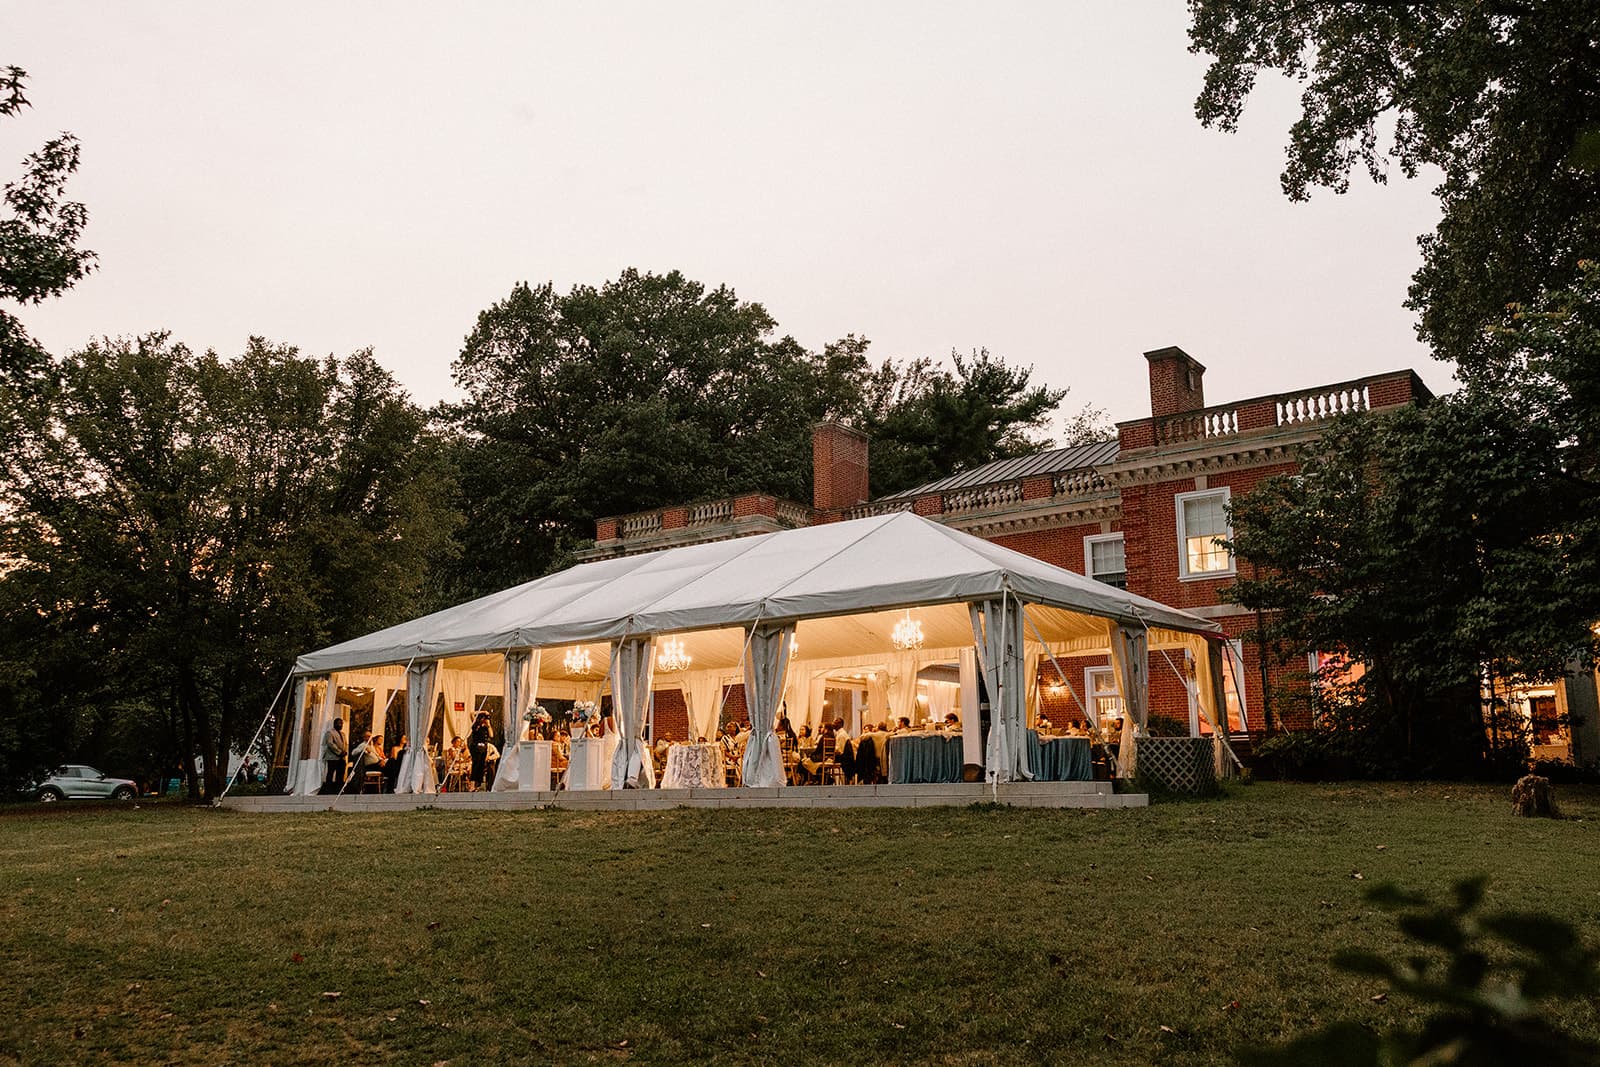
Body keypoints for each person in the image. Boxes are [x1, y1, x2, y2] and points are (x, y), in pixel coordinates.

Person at [320, 717, 347, 793]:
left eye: (342, 723)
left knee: (341, 774)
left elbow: (345, 744)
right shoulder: (330, 733)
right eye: (339, 723)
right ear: (335, 724)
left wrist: (345, 751)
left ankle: (339, 789)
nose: (341, 725)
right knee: (330, 773)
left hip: (342, 758)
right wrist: (339, 752)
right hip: (332, 757)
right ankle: (328, 789)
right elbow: (330, 743)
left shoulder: (343, 734)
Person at [468, 712, 493, 790]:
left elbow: (491, 735)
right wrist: (483, 711)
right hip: (476, 747)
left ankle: (478, 784)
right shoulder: (476, 725)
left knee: (481, 766)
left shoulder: (486, 728)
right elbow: (471, 714)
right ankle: (472, 784)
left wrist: (488, 725)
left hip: (484, 748)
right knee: (476, 765)